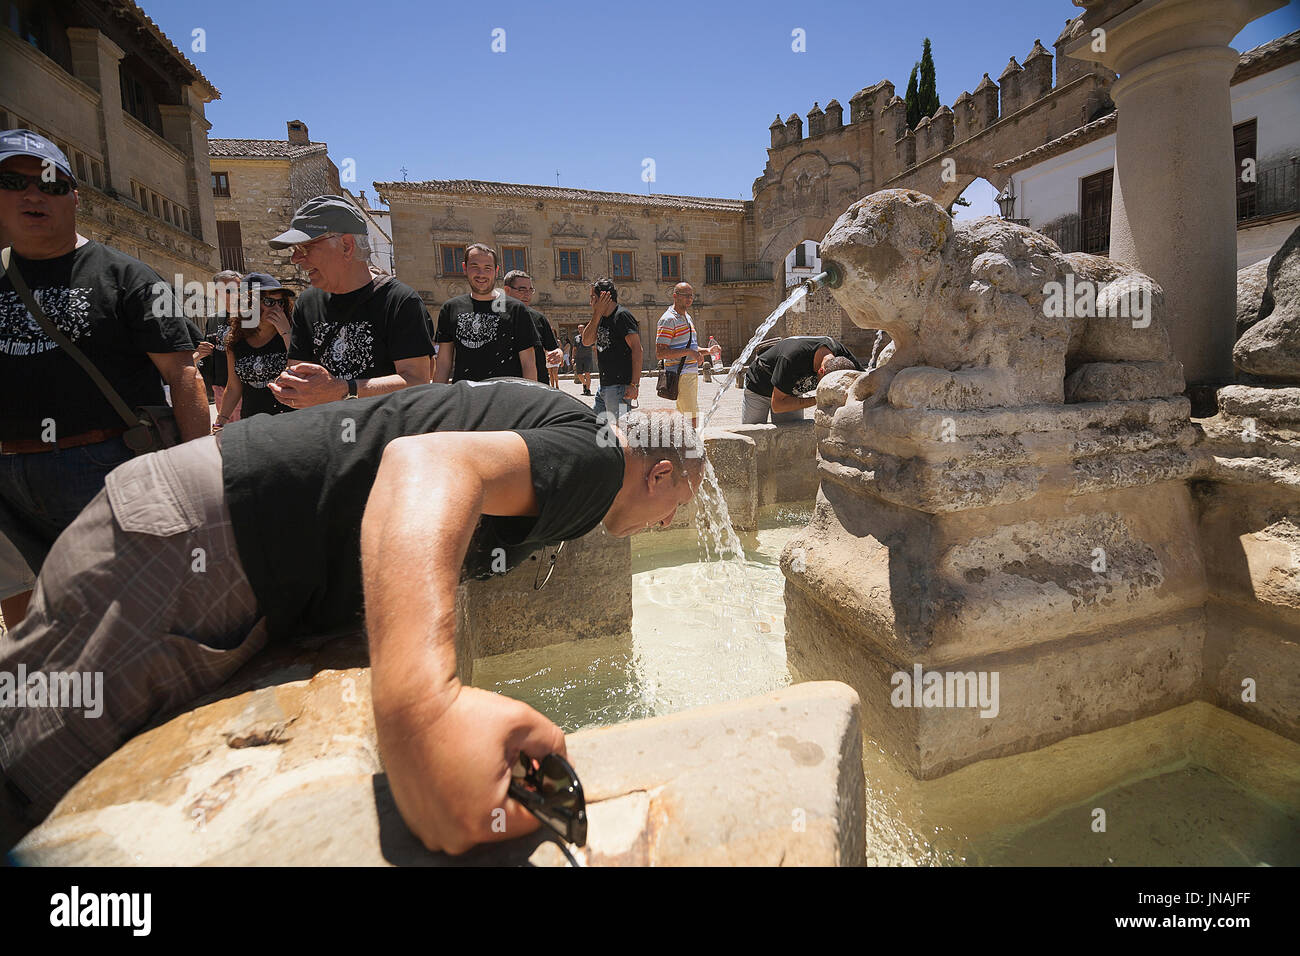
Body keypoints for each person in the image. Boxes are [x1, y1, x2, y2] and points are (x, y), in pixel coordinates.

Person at [0, 379, 703, 855]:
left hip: (195, 520)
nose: (667, 520)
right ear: (660, 475)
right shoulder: (597, 465)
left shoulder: (564, 418)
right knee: (23, 784)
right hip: (197, 542)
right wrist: (423, 712)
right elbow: (421, 462)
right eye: (677, 506)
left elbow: (398, 402)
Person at [0, 129, 208, 627]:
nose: (33, 194)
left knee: (126, 617)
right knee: (28, 623)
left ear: (74, 197)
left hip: (102, 468)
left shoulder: (128, 277)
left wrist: (198, 479)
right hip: (6, 476)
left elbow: (183, 374)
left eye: (50, 183)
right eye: (13, 181)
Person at [268, 195, 432, 409]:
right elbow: (300, 373)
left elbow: (417, 381)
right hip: (326, 437)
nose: (295, 259)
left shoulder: (400, 301)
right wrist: (294, 389)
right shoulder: (306, 303)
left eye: (305, 247)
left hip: (385, 438)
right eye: (293, 249)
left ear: (346, 245)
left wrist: (343, 390)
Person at [434, 245, 537, 383]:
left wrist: (529, 401)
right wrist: (438, 400)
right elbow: (443, 363)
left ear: (496, 270)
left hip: (507, 398)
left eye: (487, 268)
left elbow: (528, 363)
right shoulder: (450, 308)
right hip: (465, 398)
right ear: (465, 268)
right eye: (474, 266)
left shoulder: (517, 310)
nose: (481, 273)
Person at [214, 273, 295, 428]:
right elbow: (233, 387)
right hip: (252, 424)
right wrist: (219, 423)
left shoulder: (293, 335)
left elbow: (300, 370)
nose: (277, 308)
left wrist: (286, 333)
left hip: (290, 423)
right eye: (269, 302)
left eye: (281, 303)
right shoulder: (235, 342)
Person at [741, 335, 863, 424]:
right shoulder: (792, 358)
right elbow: (777, 405)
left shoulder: (842, 357)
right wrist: (819, 399)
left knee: (791, 435)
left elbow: (865, 380)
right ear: (821, 371)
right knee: (753, 435)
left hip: (790, 392)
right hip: (759, 388)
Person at [581, 277, 641, 420]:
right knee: (596, 430)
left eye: (592, 297)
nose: (590, 302)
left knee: (617, 434)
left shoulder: (622, 316)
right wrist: (597, 314)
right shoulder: (600, 317)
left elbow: (637, 350)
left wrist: (634, 384)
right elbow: (586, 341)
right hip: (604, 387)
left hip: (619, 388)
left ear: (603, 297)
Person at [655, 282, 711, 428]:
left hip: (690, 373)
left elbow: (690, 347)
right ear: (675, 296)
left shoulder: (687, 317)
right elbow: (660, 353)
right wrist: (690, 352)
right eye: (686, 295)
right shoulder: (668, 319)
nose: (689, 299)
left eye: (691, 296)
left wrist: (708, 351)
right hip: (681, 374)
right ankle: (692, 449)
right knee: (691, 417)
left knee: (684, 416)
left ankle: (682, 448)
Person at [502, 269, 562, 387]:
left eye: (530, 290)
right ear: (507, 290)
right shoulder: (496, 318)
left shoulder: (539, 318)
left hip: (538, 387)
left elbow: (553, 348)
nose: (527, 294)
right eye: (522, 290)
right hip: (506, 389)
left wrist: (558, 354)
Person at [201, 270, 242, 422]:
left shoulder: (251, 317)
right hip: (220, 386)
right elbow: (209, 351)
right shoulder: (213, 319)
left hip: (244, 387)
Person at [572, 323, 594, 395]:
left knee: (587, 373)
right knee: (579, 374)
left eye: (581, 328)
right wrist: (573, 357)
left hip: (587, 357)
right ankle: (584, 384)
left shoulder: (589, 336)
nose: (580, 330)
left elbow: (594, 348)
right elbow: (574, 349)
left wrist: (597, 357)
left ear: (584, 329)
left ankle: (588, 389)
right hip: (578, 358)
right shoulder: (576, 338)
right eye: (579, 328)